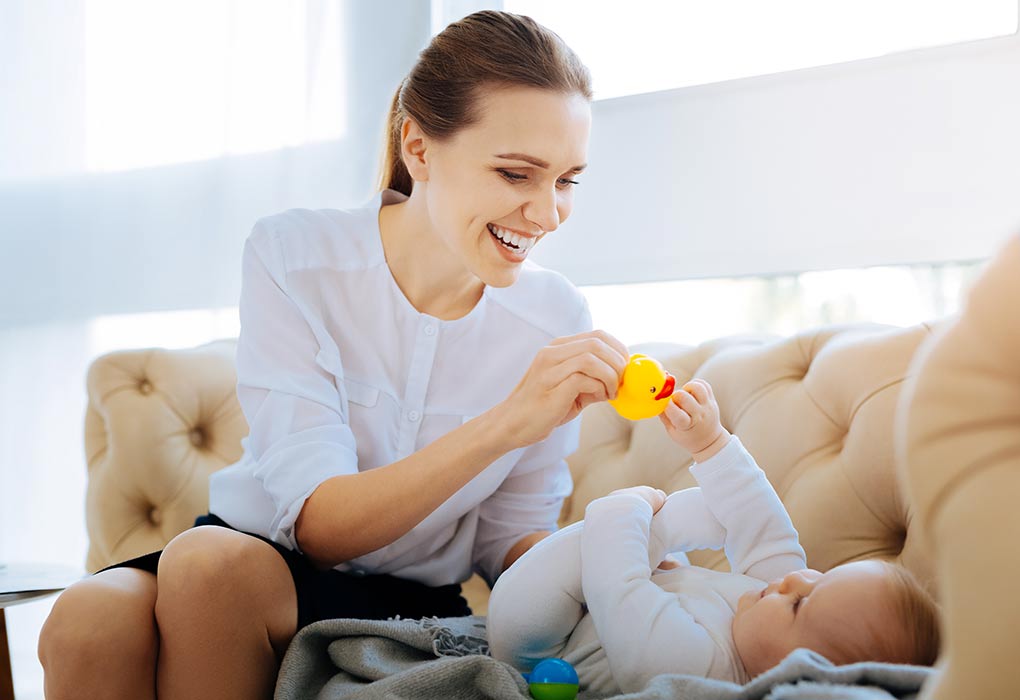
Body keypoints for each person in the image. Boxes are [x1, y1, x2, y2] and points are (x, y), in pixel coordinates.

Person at [38, 11, 630, 700]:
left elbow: (509, 542)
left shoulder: (554, 317)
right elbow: (317, 526)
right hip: (262, 558)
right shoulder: (295, 257)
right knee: (91, 618)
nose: (546, 213)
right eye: (515, 174)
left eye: (566, 181)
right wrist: (509, 421)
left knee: (201, 565)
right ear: (419, 147)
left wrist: (617, 561)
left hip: (413, 596)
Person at [488, 379, 941, 694]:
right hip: (621, 597)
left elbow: (617, 590)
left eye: (803, 603)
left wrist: (626, 508)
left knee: (613, 556)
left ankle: (643, 526)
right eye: (819, 578)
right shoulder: (772, 600)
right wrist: (710, 443)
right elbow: (763, 526)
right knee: (724, 516)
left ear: (797, 673)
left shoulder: (698, 671)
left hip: (541, 638)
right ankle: (651, 535)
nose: (794, 580)